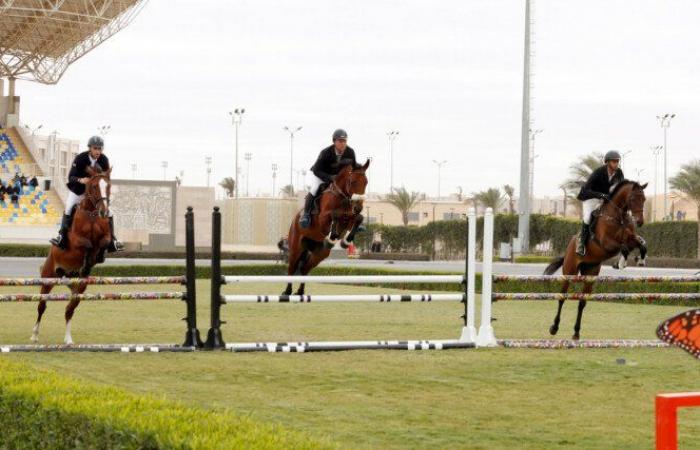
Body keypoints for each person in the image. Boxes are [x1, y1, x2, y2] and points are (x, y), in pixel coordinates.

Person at [50, 135, 123, 252]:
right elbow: (71, 177)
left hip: (95, 193)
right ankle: (61, 237)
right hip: (78, 191)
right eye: (95, 148)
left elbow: (106, 177)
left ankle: (113, 241)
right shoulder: (80, 158)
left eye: (100, 149)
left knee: (109, 211)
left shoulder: (104, 160)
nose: (98, 151)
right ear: (90, 148)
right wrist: (81, 180)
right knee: (68, 208)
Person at [299, 129, 357, 228]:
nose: (343, 144)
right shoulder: (326, 152)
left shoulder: (350, 152)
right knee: (314, 189)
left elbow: (354, 168)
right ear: (334, 141)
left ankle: (354, 219)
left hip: (337, 178)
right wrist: (329, 178)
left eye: (344, 141)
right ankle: (306, 215)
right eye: (340, 141)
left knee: (350, 192)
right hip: (321, 174)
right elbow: (316, 170)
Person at [575, 150, 625, 256]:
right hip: (591, 198)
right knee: (588, 217)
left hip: (606, 199)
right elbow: (587, 189)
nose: (616, 163)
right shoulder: (599, 172)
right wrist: (601, 195)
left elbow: (621, 188)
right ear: (608, 162)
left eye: (617, 161)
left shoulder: (619, 173)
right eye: (614, 161)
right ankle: (581, 243)